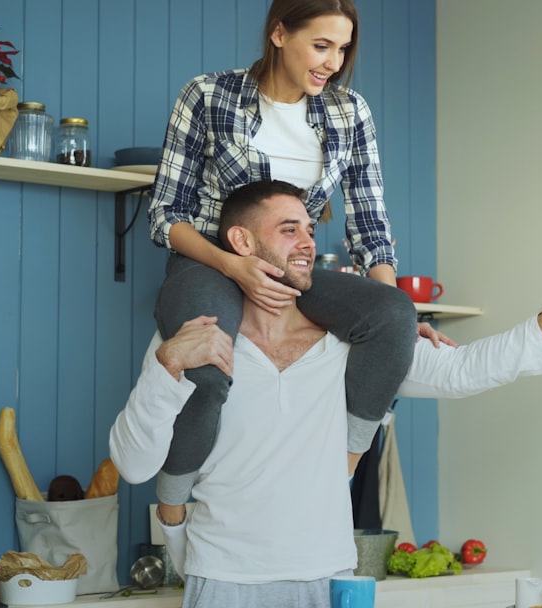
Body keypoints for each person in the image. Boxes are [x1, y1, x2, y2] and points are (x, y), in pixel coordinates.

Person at [110, 180, 542, 608]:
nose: (307, 243)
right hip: (223, 581)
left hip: (330, 579)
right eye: (289, 230)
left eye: (309, 230)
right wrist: (167, 363)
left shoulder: (351, 345)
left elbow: (462, 370)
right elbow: (132, 465)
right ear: (241, 241)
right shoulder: (194, 341)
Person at [146, 0, 451, 529]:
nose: (334, 62)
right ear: (280, 34)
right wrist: (233, 266)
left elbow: (370, 224)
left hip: (292, 270)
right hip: (211, 261)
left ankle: (342, 467)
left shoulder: (349, 112)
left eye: (343, 48)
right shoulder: (208, 94)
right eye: (321, 45)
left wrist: (394, 307)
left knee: (394, 314)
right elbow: (165, 215)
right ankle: (173, 504)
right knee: (207, 368)